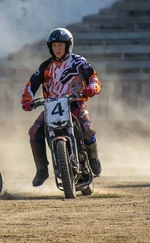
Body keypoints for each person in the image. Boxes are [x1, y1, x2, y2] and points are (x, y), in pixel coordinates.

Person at [21, 28, 102, 187]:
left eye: (60, 45)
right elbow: (31, 85)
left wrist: (92, 88)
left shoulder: (79, 62)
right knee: (34, 131)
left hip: (75, 103)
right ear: (50, 47)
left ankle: (93, 158)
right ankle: (42, 169)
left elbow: (94, 79)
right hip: (52, 106)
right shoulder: (46, 66)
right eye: (54, 46)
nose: (57, 49)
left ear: (68, 46)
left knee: (87, 128)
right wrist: (27, 100)